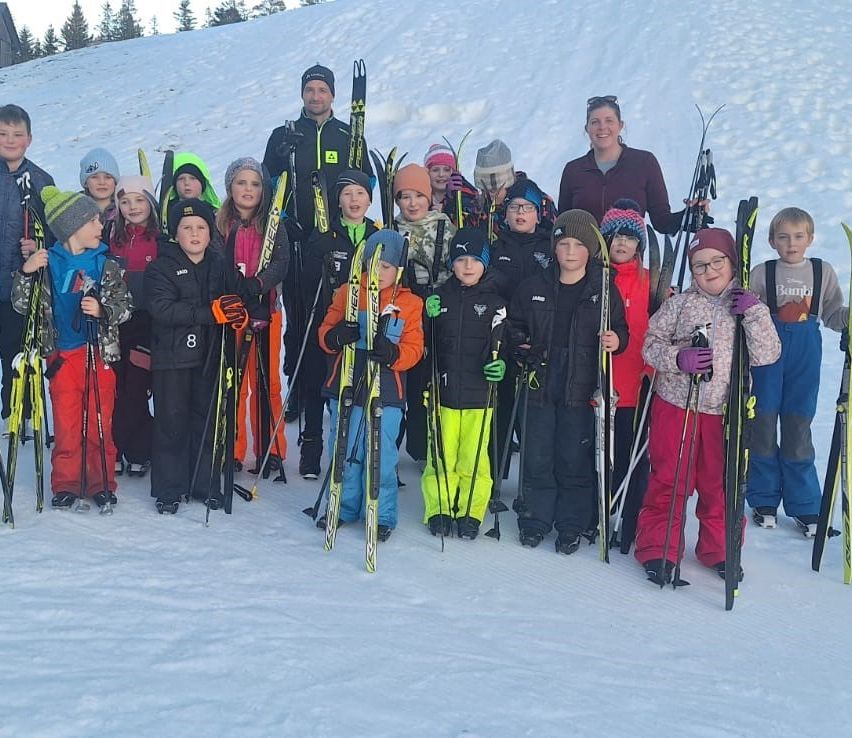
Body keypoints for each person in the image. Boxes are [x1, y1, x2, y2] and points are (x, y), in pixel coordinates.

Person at [637, 228, 780, 584]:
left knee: (720, 484)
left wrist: (755, 314)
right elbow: (649, 345)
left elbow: (768, 355)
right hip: (676, 407)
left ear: (732, 262)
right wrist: (677, 357)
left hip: (723, 413)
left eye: (717, 261)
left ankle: (719, 548)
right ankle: (659, 547)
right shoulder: (680, 304)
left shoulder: (747, 304)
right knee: (670, 478)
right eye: (700, 265)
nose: (709, 270)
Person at [508, 210, 628, 553]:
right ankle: (535, 519)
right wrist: (520, 345)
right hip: (540, 379)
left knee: (573, 457)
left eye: (578, 244)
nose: (571, 251)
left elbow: (622, 330)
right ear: (554, 248)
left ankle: (572, 523)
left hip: (581, 381)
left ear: (590, 250)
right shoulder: (534, 285)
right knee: (537, 454)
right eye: (563, 244)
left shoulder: (603, 290)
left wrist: (616, 341)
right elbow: (513, 324)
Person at [261, 63, 373, 426]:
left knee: (338, 313)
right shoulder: (285, 133)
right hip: (296, 237)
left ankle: (338, 385)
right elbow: (265, 181)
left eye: (322, 90)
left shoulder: (347, 134)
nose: (315, 96)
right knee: (299, 318)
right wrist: (280, 154)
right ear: (302, 94)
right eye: (310, 90)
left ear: (333, 95)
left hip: (338, 238)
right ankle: (297, 388)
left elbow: (364, 181)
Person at [13, 186, 131, 511]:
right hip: (62, 356)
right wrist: (26, 271)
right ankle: (66, 483)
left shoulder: (105, 263)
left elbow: (124, 306)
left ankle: (101, 482)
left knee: (98, 421)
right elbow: (23, 305)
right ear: (72, 227)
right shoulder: (47, 262)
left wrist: (103, 309)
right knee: (67, 424)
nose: (100, 227)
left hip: (99, 355)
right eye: (93, 221)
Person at [144, 199, 256, 514]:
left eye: (201, 228)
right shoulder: (160, 267)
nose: (195, 234)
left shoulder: (220, 265)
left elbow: (238, 298)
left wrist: (238, 315)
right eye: (187, 228)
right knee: (171, 422)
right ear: (175, 233)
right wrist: (212, 313)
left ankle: (204, 483)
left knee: (207, 421)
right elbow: (162, 308)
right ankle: (169, 488)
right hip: (173, 358)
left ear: (210, 233)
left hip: (211, 357)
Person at [747, 207, 848, 535]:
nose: (791, 243)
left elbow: (833, 313)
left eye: (798, 236)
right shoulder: (764, 272)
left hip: (805, 354)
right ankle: (763, 497)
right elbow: (746, 310)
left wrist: (847, 318)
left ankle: (806, 504)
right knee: (762, 423)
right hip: (767, 355)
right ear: (772, 241)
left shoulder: (823, 272)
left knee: (798, 424)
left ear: (810, 239)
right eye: (784, 237)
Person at [318, 230, 424, 540]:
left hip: (387, 390)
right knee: (344, 448)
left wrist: (393, 353)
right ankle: (343, 506)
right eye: (373, 265)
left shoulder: (410, 302)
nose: (378, 272)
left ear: (399, 269)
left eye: (386, 266)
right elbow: (325, 333)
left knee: (380, 454)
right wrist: (336, 336)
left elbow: (414, 348)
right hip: (348, 383)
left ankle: (381, 513)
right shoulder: (348, 293)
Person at [421, 228, 506, 539]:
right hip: (443, 392)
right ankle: (439, 508)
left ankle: (470, 510)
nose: (467, 266)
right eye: (460, 260)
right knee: (441, 454)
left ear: (485, 263)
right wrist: (426, 316)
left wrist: (501, 364)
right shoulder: (440, 297)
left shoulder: (497, 303)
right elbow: (426, 344)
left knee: (473, 456)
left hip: (479, 395)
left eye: (474, 259)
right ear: (451, 263)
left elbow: (504, 344)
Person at [298, 169, 378, 479]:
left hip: (364, 325)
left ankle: (365, 453)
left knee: (362, 389)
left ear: (369, 200)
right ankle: (311, 452)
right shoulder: (325, 234)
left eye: (359, 193)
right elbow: (306, 281)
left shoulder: (377, 234)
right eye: (347, 194)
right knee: (320, 384)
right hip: (329, 323)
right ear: (338, 201)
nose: (354, 199)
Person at [215, 157, 290, 475]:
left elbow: (281, 260)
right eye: (241, 182)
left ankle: (270, 447)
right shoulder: (220, 224)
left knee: (267, 382)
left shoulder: (272, 224)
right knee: (234, 381)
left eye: (255, 183)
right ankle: (232, 448)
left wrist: (260, 283)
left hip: (266, 310)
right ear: (230, 186)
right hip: (232, 313)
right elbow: (215, 260)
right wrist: (234, 286)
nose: (248, 189)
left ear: (264, 190)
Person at [489, 177, 551, 481]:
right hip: (501, 337)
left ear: (538, 213)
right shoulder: (495, 248)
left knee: (532, 416)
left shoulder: (550, 247)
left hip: (536, 341)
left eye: (527, 207)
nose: (520, 213)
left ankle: (532, 482)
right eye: (514, 207)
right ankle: (494, 476)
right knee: (500, 409)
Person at [598, 199, 652, 552]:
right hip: (601, 383)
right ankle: (601, 510)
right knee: (603, 454)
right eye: (614, 236)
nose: (621, 243)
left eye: (630, 238)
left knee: (633, 455)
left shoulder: (651, 281)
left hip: (637, 380)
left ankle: (631, 519)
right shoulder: (593, 276)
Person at [393, 162, 456, 463]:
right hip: (403, 312)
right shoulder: (392, 231)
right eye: (405, 196)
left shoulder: (444, 227)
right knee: (404, 382)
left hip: (436, 311)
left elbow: (457, 271)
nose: (413, 203)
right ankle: (402, 446)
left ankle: (431, 447)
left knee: (431, 383)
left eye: (419, 195)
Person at [557, 96, 692, 234]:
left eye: (609, 120)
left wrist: (690, 216)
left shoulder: (644, 163)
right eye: (595, 122)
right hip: (584, 254)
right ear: (587, 128)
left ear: (620, 125)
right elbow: (562, 226)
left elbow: (662, 222)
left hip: (627, 253)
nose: (602, 127)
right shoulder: (573, 170)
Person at [0, 104, 54, 427]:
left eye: (17, 134)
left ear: (29, 139)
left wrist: (39, 243)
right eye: (3, 134)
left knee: (16, 352)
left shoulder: (40, 180)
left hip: (19, 286)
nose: (10, 140)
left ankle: (17, 412)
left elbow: (56, 231)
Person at [109, 175, 160, 477]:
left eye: (139, 200)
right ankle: (121, 449)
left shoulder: (159, 239)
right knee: (117, 387)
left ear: (150, 203)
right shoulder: (112, 237)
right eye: (125, 201)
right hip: (116, 322)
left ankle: (137, 448)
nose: (132, 207)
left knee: (137, 389)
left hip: (147, 323)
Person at [472, 139, 556, 239]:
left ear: (507, 184)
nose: (488, 195)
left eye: (494, 190)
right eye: (483, 190)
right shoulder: (480, 207)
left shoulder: (537, 202)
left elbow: (557, 237)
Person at [423, 142, 481, 229]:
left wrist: (447, 209)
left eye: (446, 170)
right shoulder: (421, 197)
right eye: (435, 170)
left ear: (454, 172)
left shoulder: (466, 195)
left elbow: (471, 226)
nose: (441, 174)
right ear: (427, 172)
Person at [161, 152, 221, 235]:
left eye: (193, 178)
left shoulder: (215, 213)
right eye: (181, 179)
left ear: (202, 183)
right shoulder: (165, 212)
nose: (186, 183)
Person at [79, 147, 120, 225]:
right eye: (94, 177)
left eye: (108, 177)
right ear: (86, 183)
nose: (102, 182)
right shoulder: (76, 212)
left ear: (115, 181)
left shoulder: (125, 210)